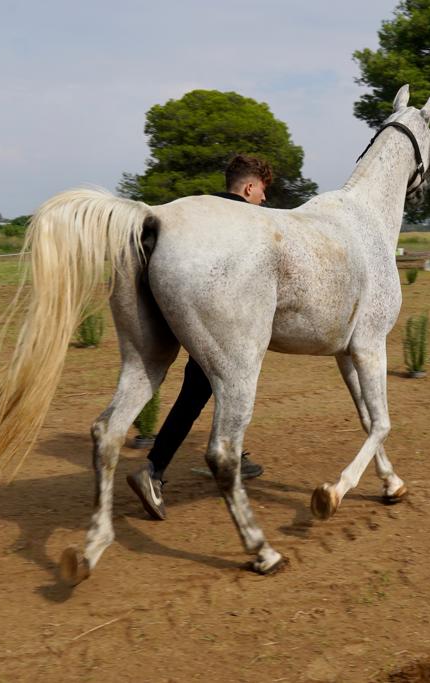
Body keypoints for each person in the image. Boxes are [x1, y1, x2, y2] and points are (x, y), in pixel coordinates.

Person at [126, 154, 272, 521]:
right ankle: (221, 457)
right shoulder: (243, 222)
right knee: (233, 382)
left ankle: (155, 469)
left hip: (190, 314)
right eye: (263, 192)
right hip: (223, 323)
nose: (264, 200)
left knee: (196, 392)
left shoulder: (202, 214)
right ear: (250, 187)